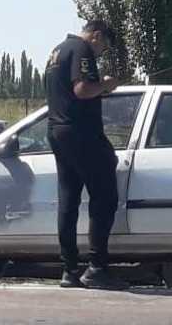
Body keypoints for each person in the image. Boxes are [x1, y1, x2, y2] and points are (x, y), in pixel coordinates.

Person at [45, 20, 127, 290]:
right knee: (104, 197)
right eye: (103, 46)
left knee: (68, 199)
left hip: (58, 130)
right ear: (96, 35)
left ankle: (69, 269)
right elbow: (82, 89)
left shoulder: (57, 50)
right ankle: (97, 267)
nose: (101, 52)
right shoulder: (82, 49)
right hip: (82, 133)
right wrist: (105, 84)